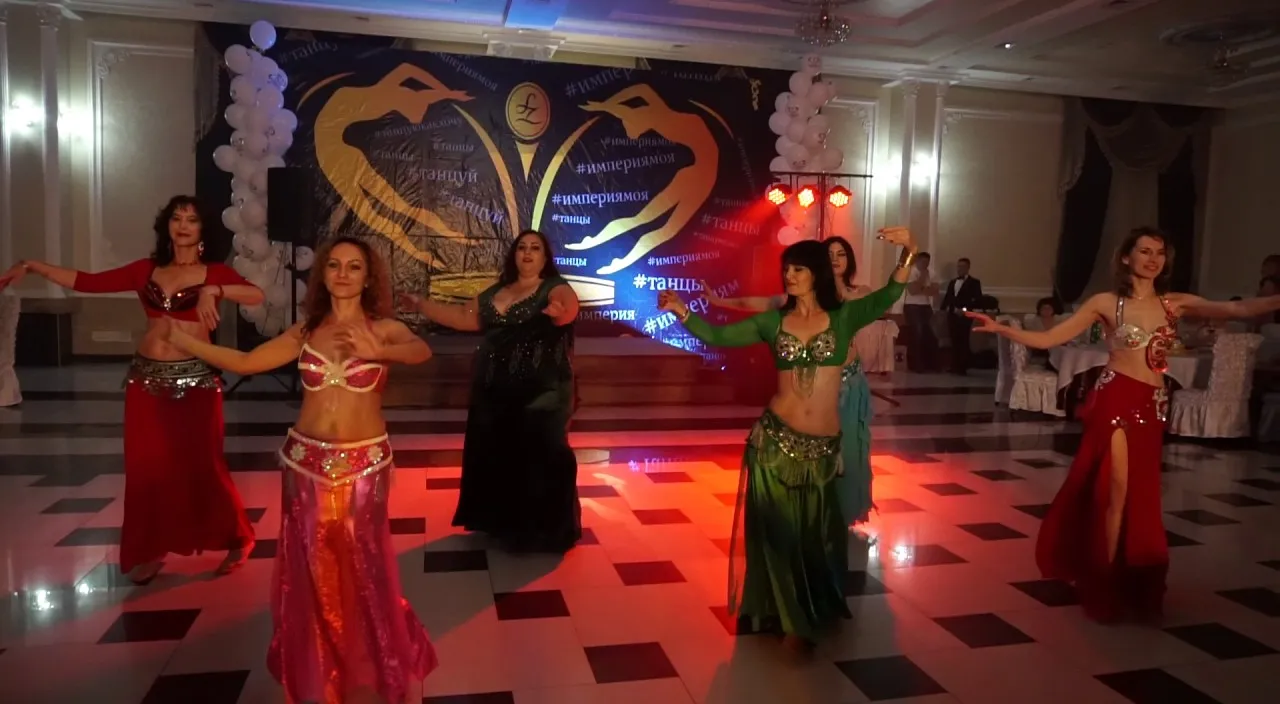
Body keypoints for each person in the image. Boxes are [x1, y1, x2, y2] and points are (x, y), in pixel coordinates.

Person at [160, 236, 437, 703]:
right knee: (313, 572)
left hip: (363, 465)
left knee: (363, 569)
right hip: (304, 464)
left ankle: (372, 665)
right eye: (335, 265)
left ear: (368, 277)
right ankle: (322, 671)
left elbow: (420, 352)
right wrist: (183, 339)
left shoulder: (384, 329)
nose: (344, 274)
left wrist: (381, 351)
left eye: (354, 267)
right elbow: (248, 361)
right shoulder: (306, 331)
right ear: (324, 274)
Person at [966, 226, 1280, 623]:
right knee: (1114, 488)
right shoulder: (1106, 303)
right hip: (1115, 399)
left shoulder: (1175, 304)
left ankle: (1132, 577)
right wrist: (1003, 328)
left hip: (1153, 405)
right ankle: (1104, 581)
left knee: (1141, 495)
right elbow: (1051, 340)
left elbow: (1238, 310)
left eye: (1160, 252)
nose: (1152, 259)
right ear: (1126, 258)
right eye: (1144, 251)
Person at [657, 228, 916, 652]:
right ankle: (792, 621)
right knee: (779, 535)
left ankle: (812, 607)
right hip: (774, 443)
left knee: (815, 536)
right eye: (786, 270)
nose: (789, 276)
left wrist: (910, 251)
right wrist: (682, 312)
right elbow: (719, 337)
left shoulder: (844, 317)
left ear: (814, 273)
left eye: (797, 269)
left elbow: (888, 296)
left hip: (822, 448)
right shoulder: (773, 321)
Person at [0, 195, 262, 584]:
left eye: (191, 219)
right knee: (146, 471)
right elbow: (87, 282)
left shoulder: (215, 272)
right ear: (167, 226)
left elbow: (256, 294)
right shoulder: (145, 270)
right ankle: (149, 549)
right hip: (146, 383)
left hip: (197, 384)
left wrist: (215, 291)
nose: (183, 225)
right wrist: (34, 266)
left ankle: (238, 538)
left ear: (203, 229)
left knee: (203, 466)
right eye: (176, 218)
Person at [400, 229, 581, 553]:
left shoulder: (555, 288)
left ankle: (546, 531)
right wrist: (422, 305)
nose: (527, 253)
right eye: (522, 247)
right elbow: (461, 317)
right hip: (494, 387)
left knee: (543, 453)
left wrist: (560, 313)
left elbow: (569, 307)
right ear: (513, 255)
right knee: (498, 453)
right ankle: (504, 525)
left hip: (544, 389)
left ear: (545, 257)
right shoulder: (496, 291)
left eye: (535, 248)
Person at [701, 236, 878, 528]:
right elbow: (756, 303)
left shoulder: (858, 295)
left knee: (849, 451)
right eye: (829, 254)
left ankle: (840, 516)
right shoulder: (794, 300)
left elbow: (878, 308)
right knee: (813, 452)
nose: (835, 259)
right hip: (813, 389)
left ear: (850, 261)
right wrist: (719, 301)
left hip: (850, 384)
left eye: (841, 254)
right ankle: (807, 516)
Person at [940, 257, 982, 375]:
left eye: (962, 267)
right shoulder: (953, 282)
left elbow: (977, 300)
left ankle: (962, 367)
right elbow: (948, 297)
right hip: (952, 315)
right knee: (954, 339)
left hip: (965, 315)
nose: (959, 269)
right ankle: (954, 366)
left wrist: (963, 310)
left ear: (968, 268)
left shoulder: (974, 283)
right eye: (958, 266)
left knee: (963, 340)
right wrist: (945, 308)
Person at [902, 251, 938, 372]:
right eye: (923, 262)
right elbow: (912, 290)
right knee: (917, 333)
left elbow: (934, 291)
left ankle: (930, 364)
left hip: (926, 306)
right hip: (912, 306)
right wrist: (922, 278)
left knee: (929, 334)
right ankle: (915, 364)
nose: (926, 265)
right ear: (917, 261)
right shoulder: (911, 272)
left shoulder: (932, 273)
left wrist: (921, 288)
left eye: (927, 262)